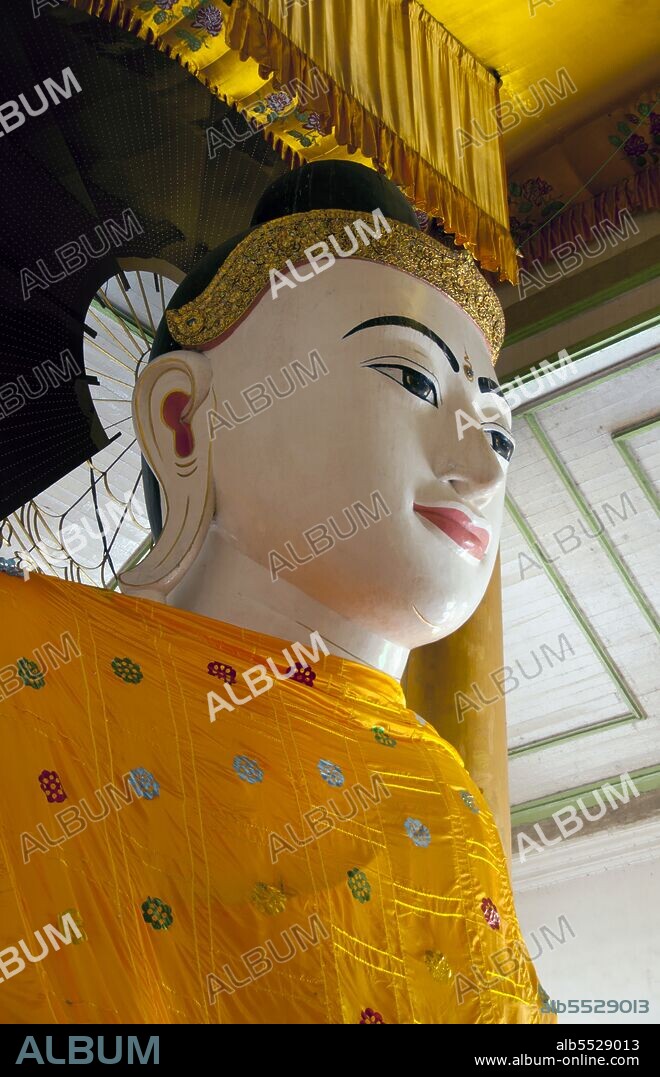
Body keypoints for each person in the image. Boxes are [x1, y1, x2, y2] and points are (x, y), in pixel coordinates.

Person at [0, 162, 550, 1024]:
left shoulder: (444, 792)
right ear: (184, 419)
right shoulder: (28, 659)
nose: (480, 467)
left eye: (499, 434)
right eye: (409, 379)